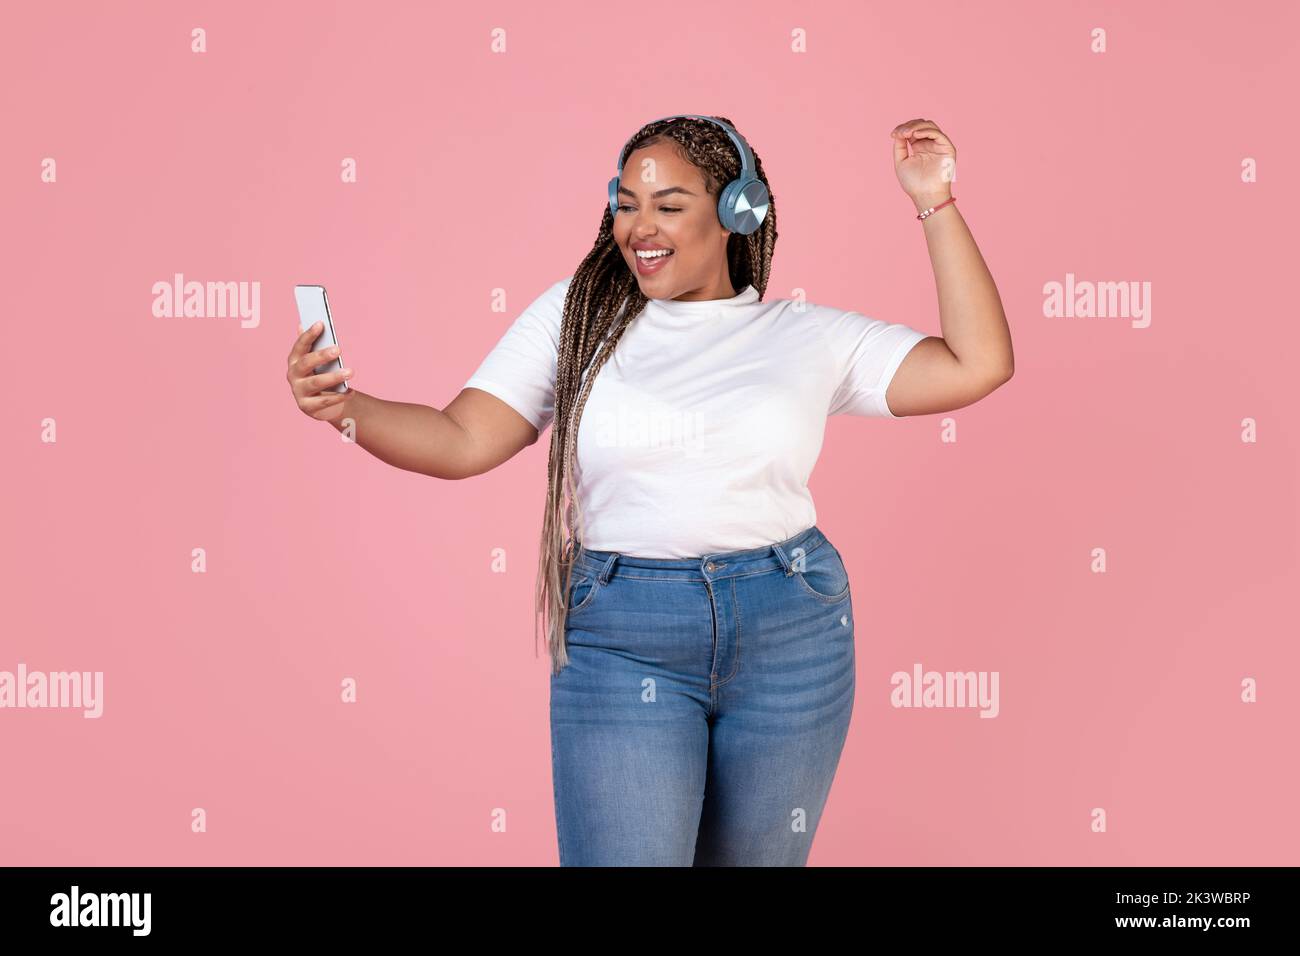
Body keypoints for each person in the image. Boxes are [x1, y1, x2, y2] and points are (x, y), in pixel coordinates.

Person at [286, 114, 1014, 866]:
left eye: (669, 205)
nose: (640, 226)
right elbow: (460, 439)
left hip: (791, 630)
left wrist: (936, 201)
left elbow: (977, 363)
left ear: (739, 213)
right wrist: (347, 409)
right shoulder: (577, 319)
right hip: (624, 639)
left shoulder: (806, 336)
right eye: (626, 203)